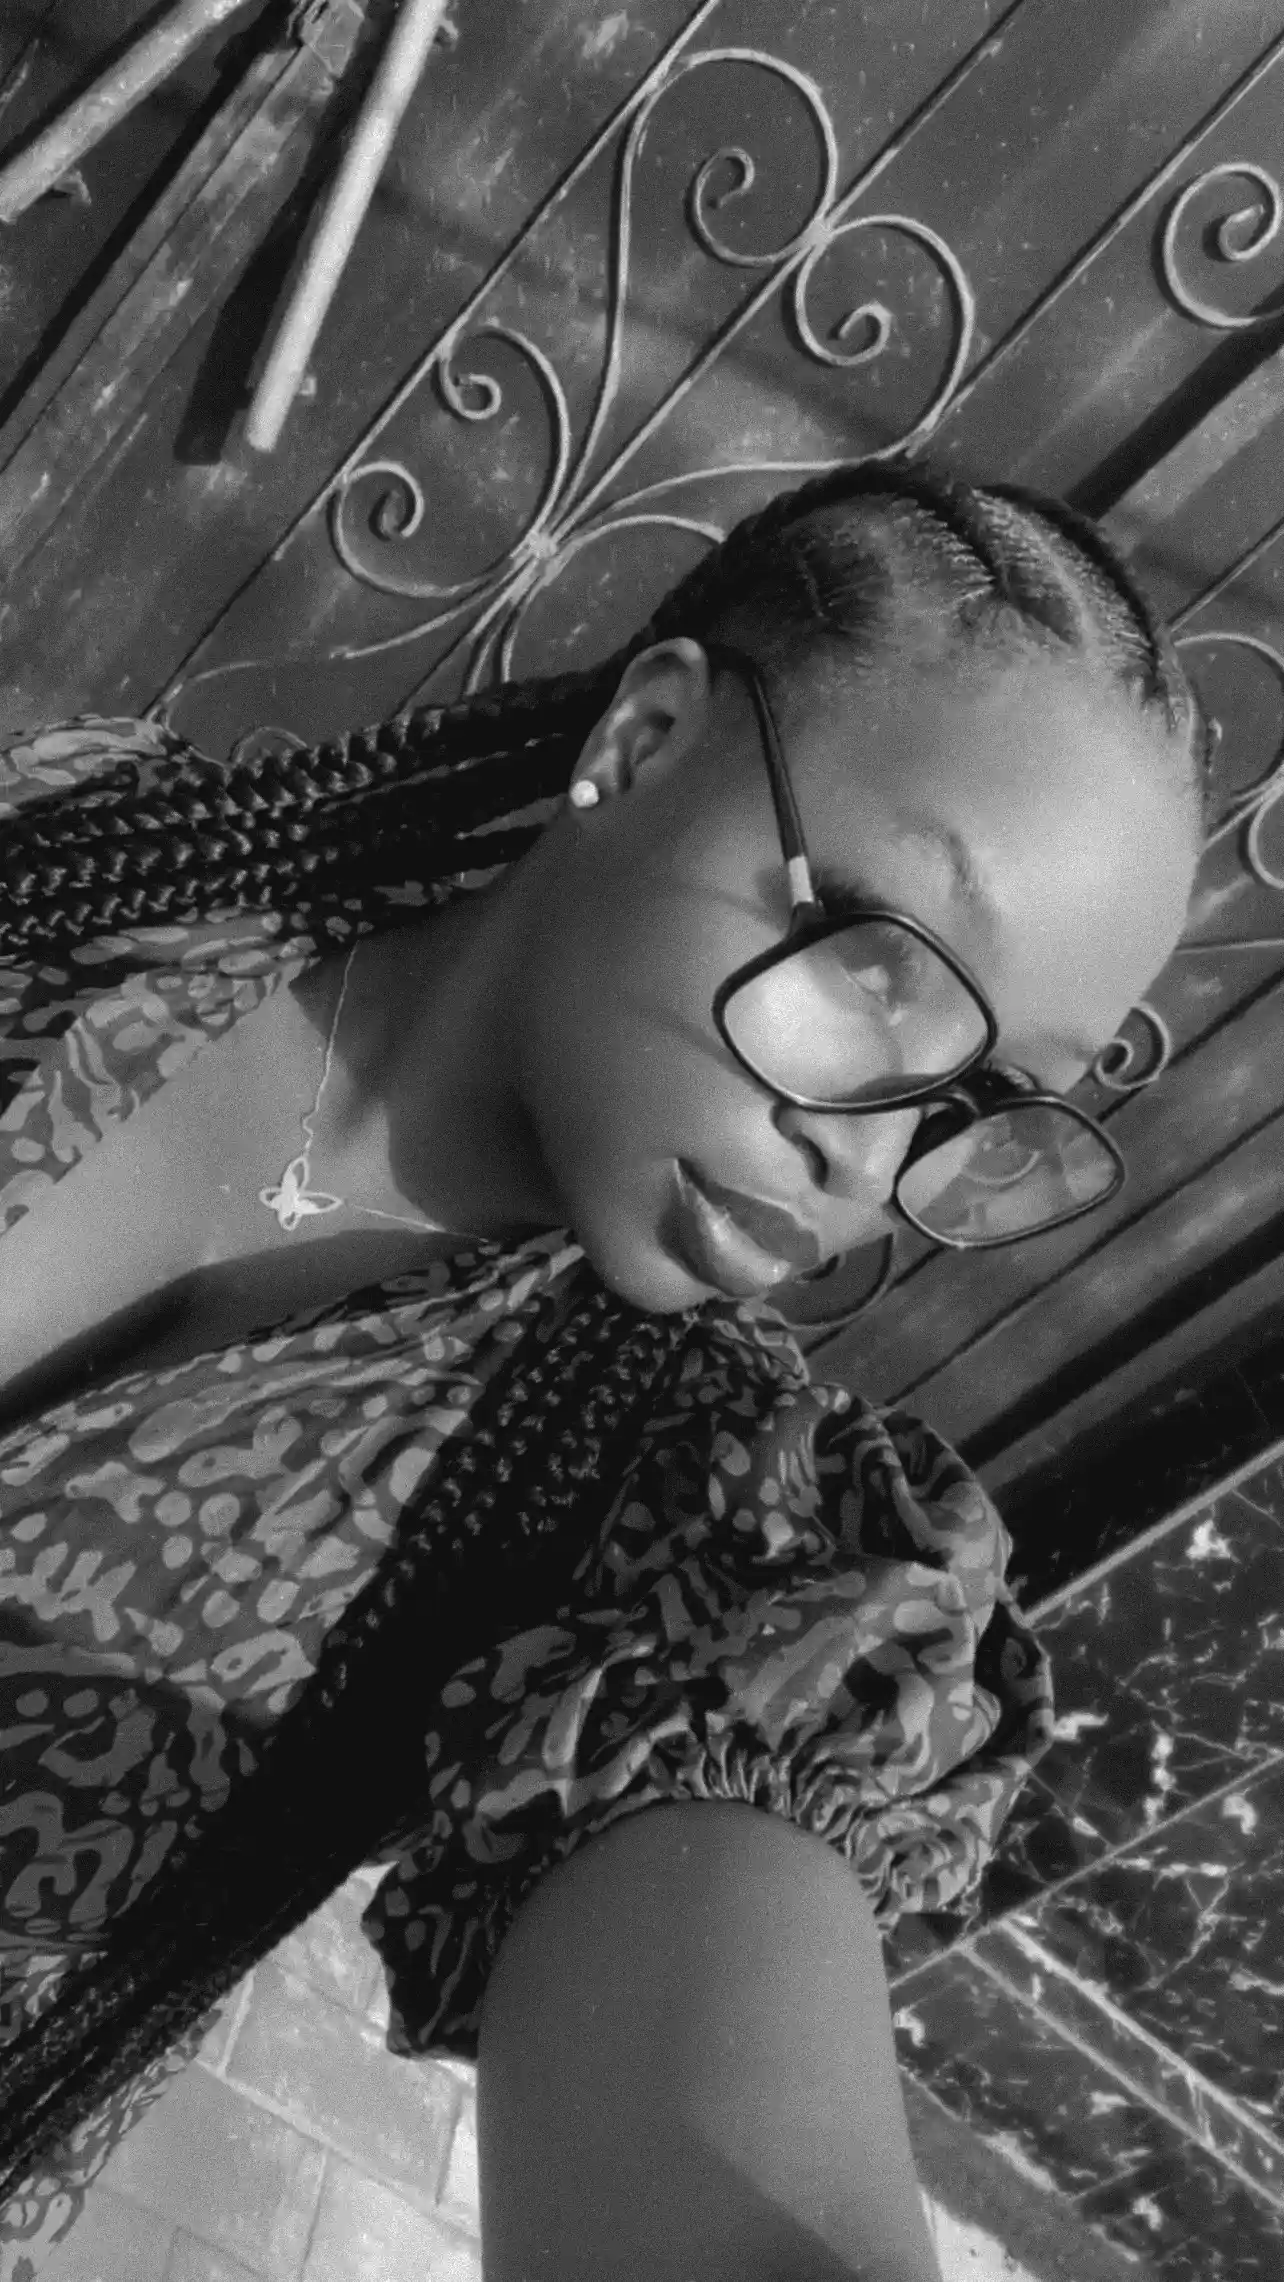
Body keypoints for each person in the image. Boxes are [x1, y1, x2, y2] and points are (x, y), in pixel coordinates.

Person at [0, 455, 1207, 2281]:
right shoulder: (93, 868)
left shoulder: (655, 1498)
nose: (868, 1158)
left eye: (983, 1097)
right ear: (644, 741)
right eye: (883, 967)